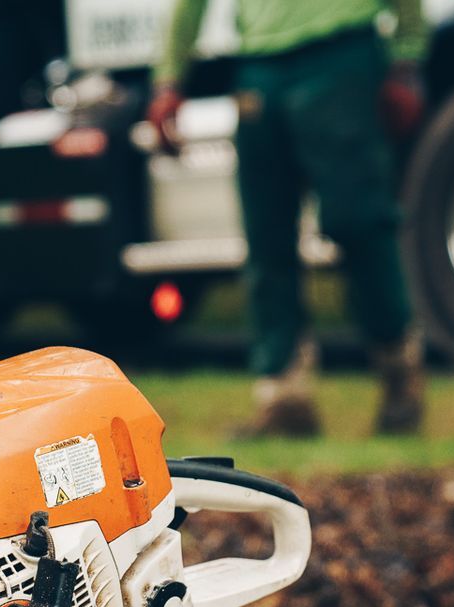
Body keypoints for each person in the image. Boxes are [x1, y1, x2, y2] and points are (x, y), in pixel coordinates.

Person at [148, 0, 429, 438]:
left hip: (341, 55)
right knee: (266, 237)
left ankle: (399, 371)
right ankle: (283, 400)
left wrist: (407, 59)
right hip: (259, 66)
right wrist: (169, 80)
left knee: (359, 222)